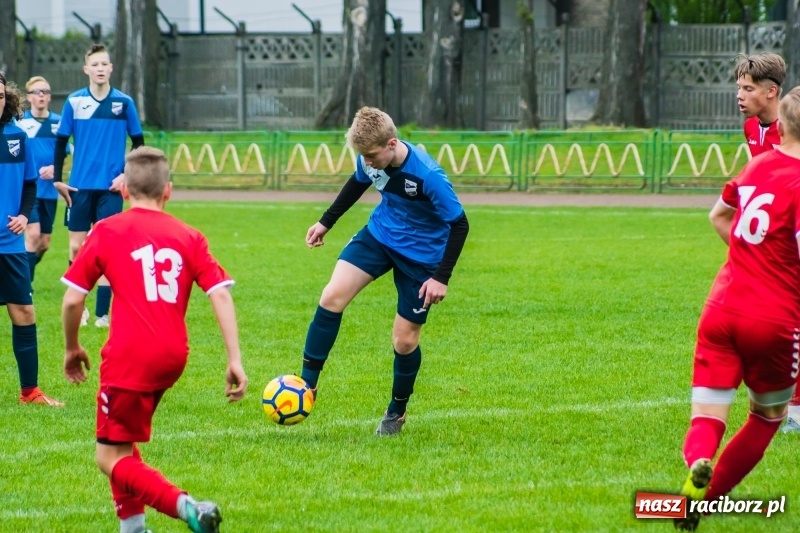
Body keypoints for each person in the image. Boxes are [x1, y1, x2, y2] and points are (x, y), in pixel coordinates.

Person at [61, 146, 247, 533]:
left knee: (108, 458)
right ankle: (134, 529)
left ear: (124, 191)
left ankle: (187, 507)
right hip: (173, 356)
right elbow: (221, 294)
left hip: (130, 356)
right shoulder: (189, 235)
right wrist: (235, 358)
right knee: (122, 441)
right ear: (169, 191)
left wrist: (72, 347)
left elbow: (73, 298)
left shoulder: (107, 231)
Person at [674, 86, 800, 531]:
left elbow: (718, 215)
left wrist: (751, 254)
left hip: (721, 306)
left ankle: (698, 462)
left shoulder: (756, 165)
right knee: (768, 417)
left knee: (707, 415)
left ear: (781, 127)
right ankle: (702, 504)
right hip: (773, 318)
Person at [300, 106, 469, 435]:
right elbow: (356, 183)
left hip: (421, 258)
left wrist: (441, 278)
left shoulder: (427, 175)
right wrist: (325, 222)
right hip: (379, 236)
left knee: (404, 342)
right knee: (332, 295)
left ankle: (397, 411)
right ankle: (307, 386)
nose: (367, 162)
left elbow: (460, 224)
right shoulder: (369, 159)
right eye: (362, 156)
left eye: (372, 156)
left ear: (392, 144)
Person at [54, 43, 145, 328]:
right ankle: (78, 308)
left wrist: (126, 176)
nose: (100, 69)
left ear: (111, 68)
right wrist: (58, 179)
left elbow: (139, 143)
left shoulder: (124, 103)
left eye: (104, 64)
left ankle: (102, 314)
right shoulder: (74, 102)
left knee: (107, 248)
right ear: (86, 70)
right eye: (95, 65)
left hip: (110, 189)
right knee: (76, 248)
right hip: (79, 188)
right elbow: (60, 141)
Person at [0, 72, 64, 407]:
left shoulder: (16, 136)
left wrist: (25, 215)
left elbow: (28, 184)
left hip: (9, 244)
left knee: (24, 310)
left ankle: (30, 392)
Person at [16, 76, 70, 286]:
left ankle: (19, 272)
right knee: (34, 234)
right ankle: (24, 289)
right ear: (29, 97)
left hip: (49, 191)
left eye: (45, 92)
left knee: (44, 243)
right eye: (37, 92)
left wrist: (55, 168)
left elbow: (65, 152)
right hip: (28, 190)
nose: (41, 96)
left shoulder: (59, 123)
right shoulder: (20, 123)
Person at [735, 52, 785, 157]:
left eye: (748, 89)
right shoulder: (750, 126)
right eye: (739, 88)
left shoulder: (793, 128)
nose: (739, 95)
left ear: (771, 91)